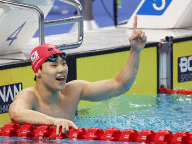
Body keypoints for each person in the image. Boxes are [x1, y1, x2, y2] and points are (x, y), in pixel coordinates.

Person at [9, 16, 147, 135]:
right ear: (38, 71)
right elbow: (16, 113)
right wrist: (54, 121)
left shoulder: (74, 90)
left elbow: (119, 85)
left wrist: (135, 51)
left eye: (63, 64)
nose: (62, 69)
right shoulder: (29, 96)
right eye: (54, 65)